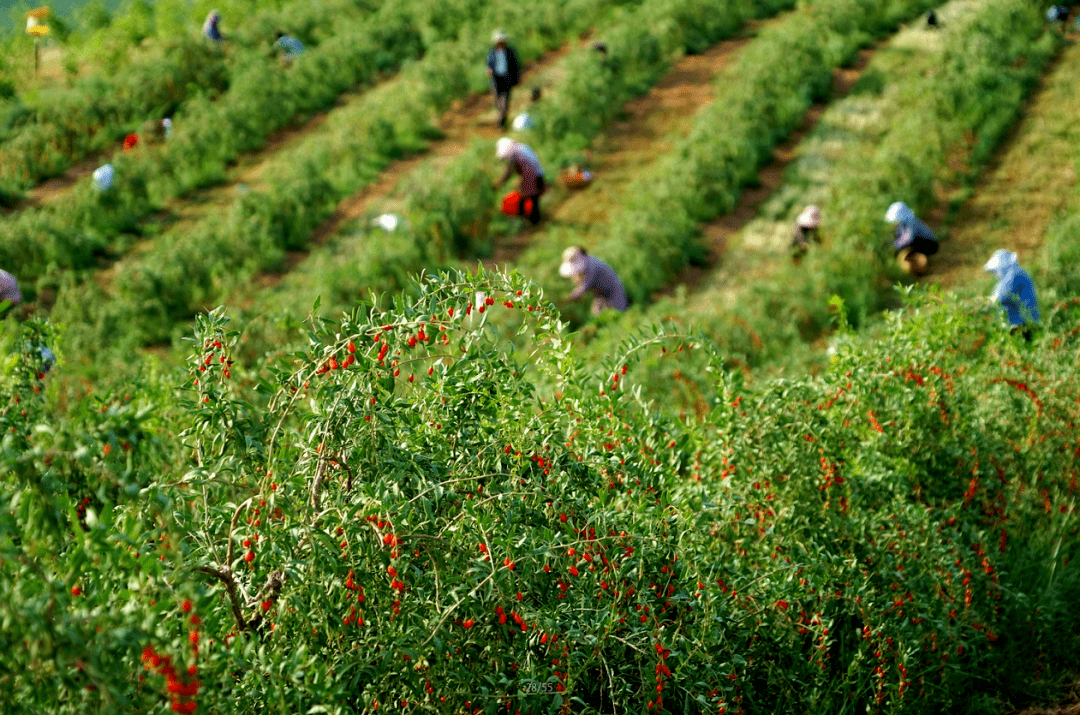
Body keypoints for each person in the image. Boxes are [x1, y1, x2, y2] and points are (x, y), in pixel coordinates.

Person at [984, 249, 1039, 340]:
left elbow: (1001, 296)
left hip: (1022, 324)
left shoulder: (1014, 274)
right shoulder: (1013, 275)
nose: (996, 274)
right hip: (1022, 323)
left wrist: (982, 305)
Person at [560, 246, 628, 315]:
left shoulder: (593, 266)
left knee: (619, 314)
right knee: (597, 316)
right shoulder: (586, 264)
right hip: (600, 295)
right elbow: (579, 280)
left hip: (613, 292)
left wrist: (571, 297)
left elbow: (585, 285)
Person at [495, 137, 545, 225]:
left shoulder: (519, 154)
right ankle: (529, 220)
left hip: (533, 176)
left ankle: (533, 222)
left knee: (531, 198)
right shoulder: (520, 149)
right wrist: (501, 181)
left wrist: (521, 181)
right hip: (537, 174)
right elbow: (509, 170)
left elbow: (528, 169)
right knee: (528, 198)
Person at [885, 201, 937, 275]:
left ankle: (921, 264)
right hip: (921, 242)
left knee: (907, 244)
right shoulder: (903, 223)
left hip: (930, 244)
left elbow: (909, 238)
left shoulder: (911, 221)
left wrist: (894, 246)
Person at [487, 30, 521, 129]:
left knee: (505, 101)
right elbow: (489, 64)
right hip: (496, 79)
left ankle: (501, 122)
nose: (501, 43)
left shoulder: (510, 52)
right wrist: (489, 70)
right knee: (497, 100)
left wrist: (516, 79)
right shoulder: (492, 53)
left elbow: (516, 66)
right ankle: (501, 118)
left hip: (507, 78)